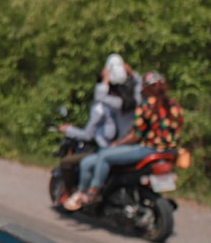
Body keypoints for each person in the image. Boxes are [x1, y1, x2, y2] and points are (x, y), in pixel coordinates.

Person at [65, 71, 184, 211]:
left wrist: (117, 144)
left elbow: (136, 135)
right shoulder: (174, 105)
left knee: (104, 155)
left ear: (146, 88)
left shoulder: (147, 107)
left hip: (149, 149)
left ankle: (92, 192)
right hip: (170, 151)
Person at [56, 73, 118, 191]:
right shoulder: (121, 104)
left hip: (104, 149)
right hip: (119, 146)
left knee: (66, 162)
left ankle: (75, 193)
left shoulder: (100, 108)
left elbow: (88, 135)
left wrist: (68, 129)